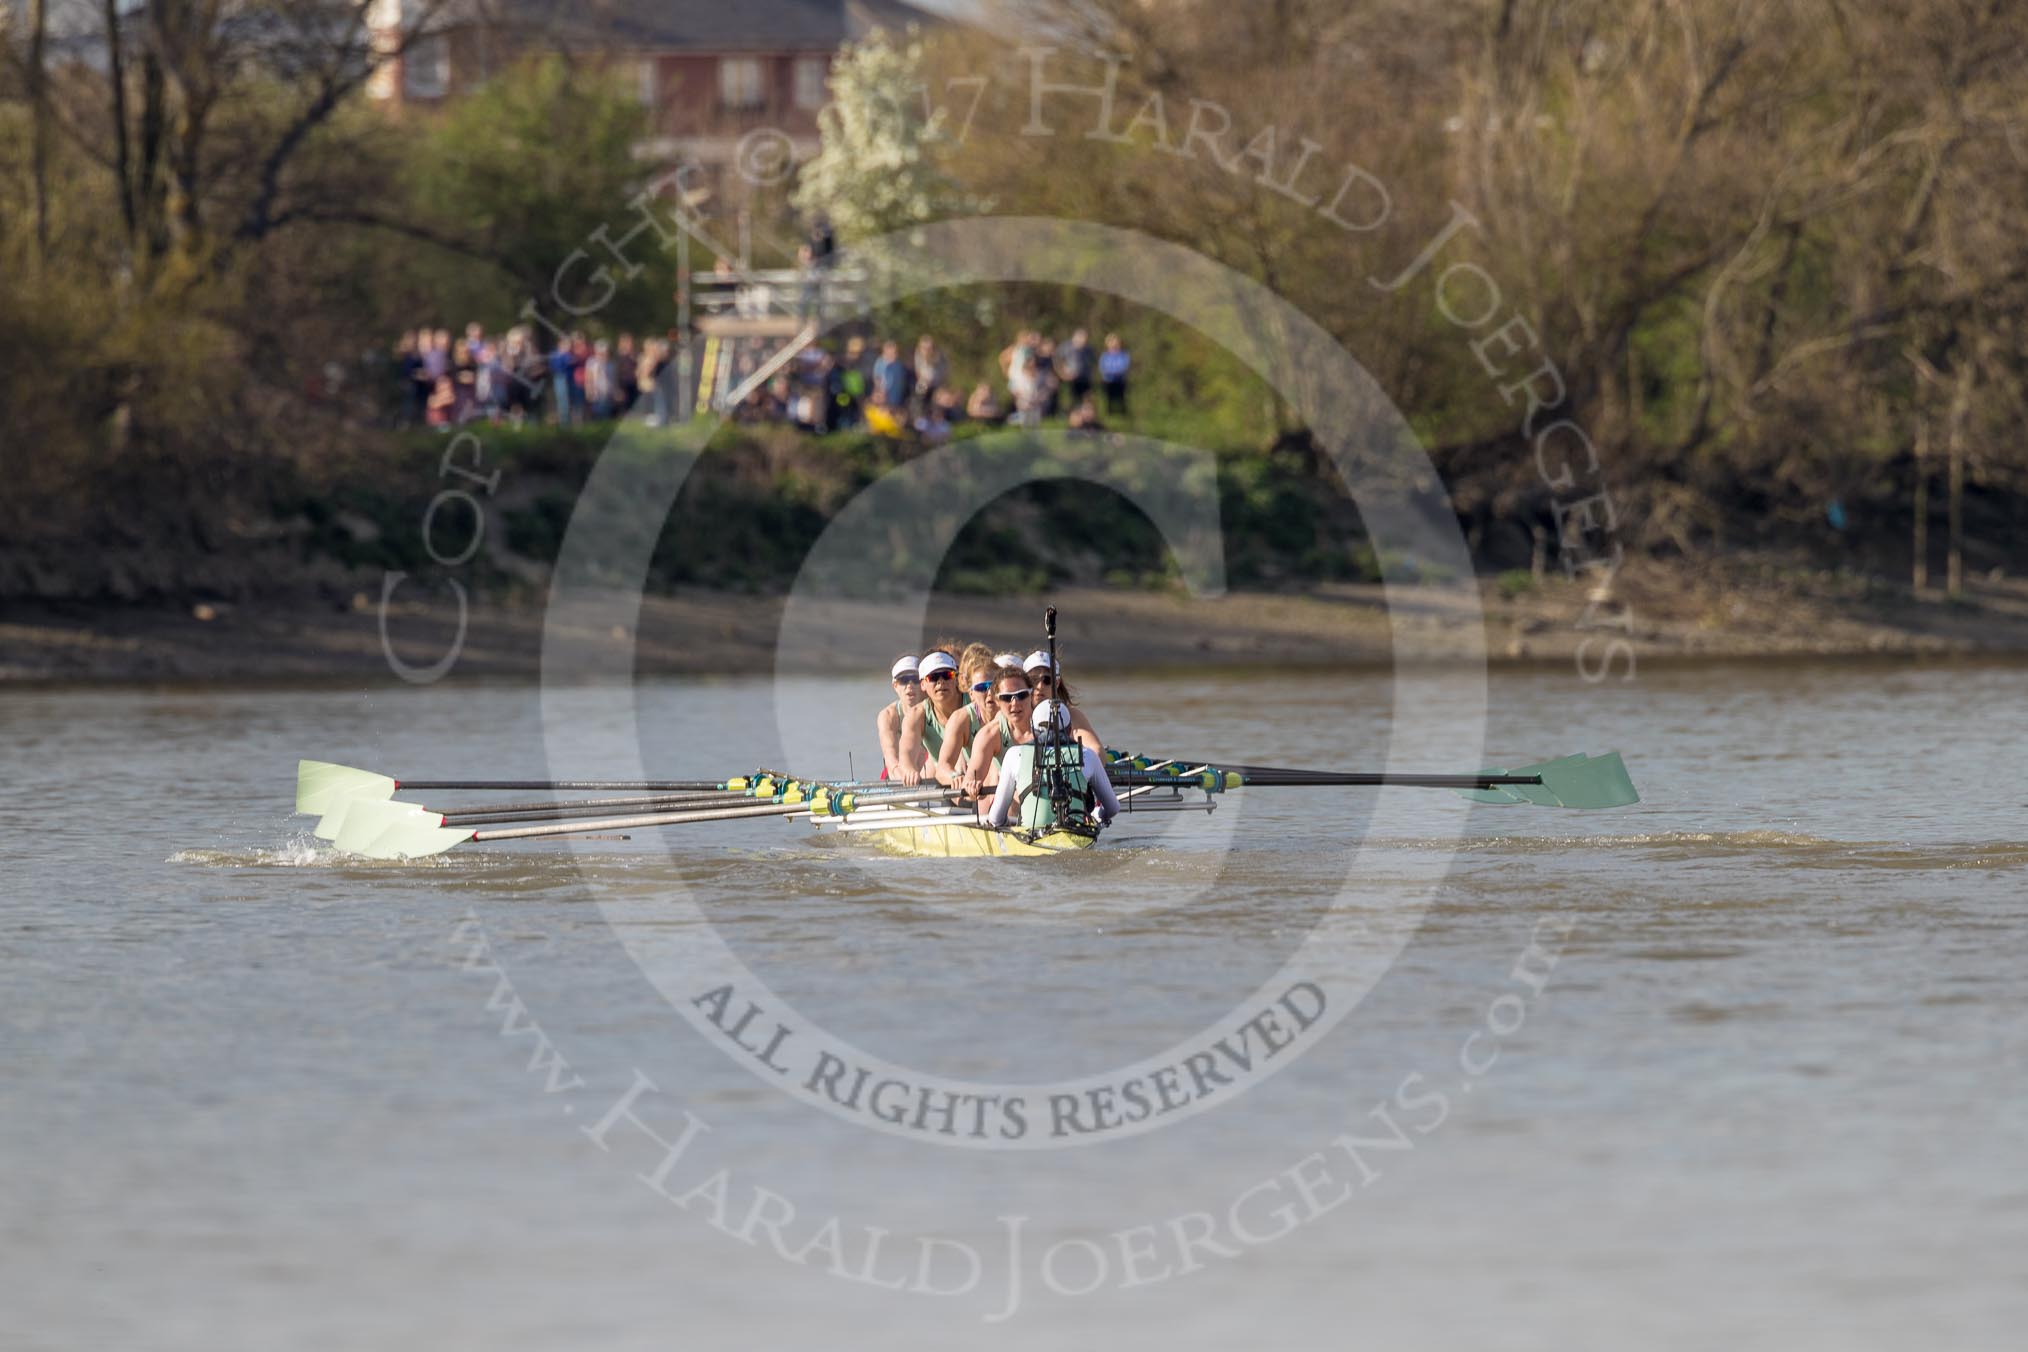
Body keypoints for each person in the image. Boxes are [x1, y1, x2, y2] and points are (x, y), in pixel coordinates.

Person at [986, 697, 1120, 832]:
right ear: (1069, 730)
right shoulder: (1088, 755)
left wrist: (1007, 826)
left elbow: (995, 819)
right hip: (1077, 834)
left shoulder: (1014, 755)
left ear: (1033, 730)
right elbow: (1113, 808)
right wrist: (1098, 815)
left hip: (1030, 837)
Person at [936, 646, 1010, 789]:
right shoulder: (961, 718)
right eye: (981, 688)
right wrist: (954, 777)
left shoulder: (1014, 711)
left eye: (993, 686)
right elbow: (942, 768)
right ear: (971, 694)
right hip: (976, 789)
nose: (989, 692)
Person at [894, 650, 966, 786]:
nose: (941, 682)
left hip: (979, 776)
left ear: (956, 678)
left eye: (947, 675)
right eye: (933, 677)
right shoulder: (916, 715)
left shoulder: (972, 704)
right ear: (922, 685)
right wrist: (910, 770)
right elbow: (907, 755)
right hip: (948, 779)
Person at [876, 655, 925, 780]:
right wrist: (903, 777)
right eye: (904, 680)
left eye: (915, 679)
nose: (910, 685)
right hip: (897, 774)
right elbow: (890, 758)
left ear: (923, 682)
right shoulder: (887, 716)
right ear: (895, 685)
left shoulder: (934, 709)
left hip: (929, 771)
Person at [1058, 328, 1094, 405]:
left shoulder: (1088, 349)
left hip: (1084, 377)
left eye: (1085, 338)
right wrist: (1063, 373)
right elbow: (1058, 360)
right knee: (1070, 397)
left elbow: (1092, 362)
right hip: (1068, 377)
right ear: (1075, 337)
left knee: (1086, 397)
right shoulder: (1065, 347)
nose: (1084, 340)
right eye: (1081, 337)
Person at [1099, 332, 1131, 416]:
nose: (1114, 344)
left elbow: (1124, 366)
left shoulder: (1124, 355)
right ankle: (1109, 414)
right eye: (1111, 342)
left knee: (1121, 399)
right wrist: (1112, 372)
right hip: (1108, 381)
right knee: (1108, 399)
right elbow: (1103, 367)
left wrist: (1115, 372)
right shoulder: (1104, 355)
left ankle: (1123, 415)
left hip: (1120, 380)